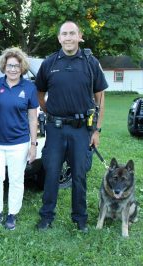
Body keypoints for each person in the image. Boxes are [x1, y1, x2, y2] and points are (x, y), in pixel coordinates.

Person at [35, 21, 107, 233]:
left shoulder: (90, 63)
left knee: (79, 175)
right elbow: (39, 93)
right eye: (64, 34)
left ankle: (80, 218)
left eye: (72, 33)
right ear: (59, 38)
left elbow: (101, 99)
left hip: (81, 130)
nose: (68, 37)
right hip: (55, 129)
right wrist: (50, 113)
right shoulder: (49, 63)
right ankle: (46, 217)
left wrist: (96, 130)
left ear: (79, 37)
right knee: (51, 173)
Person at [0, 47, 38, 230]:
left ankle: (12, 214)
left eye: (16, 65)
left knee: (16, 179)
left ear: (22, 68)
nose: (12, 69)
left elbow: (32, 118)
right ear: (4, 66)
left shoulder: (29, 88)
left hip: (19, 142)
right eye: (9, 65)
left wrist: (33, 145)